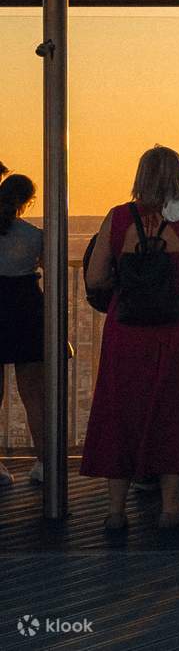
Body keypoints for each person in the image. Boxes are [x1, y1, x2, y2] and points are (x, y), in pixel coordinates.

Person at [81, 146, 179, 529]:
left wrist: (130, 280)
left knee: (121, 409)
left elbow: (95, 278)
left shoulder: (116, 218)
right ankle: (171, 509)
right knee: (174, 411)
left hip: (127, 327)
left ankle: (115, 512)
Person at [0, 173, 46, 487]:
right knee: (33, 394)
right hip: (26, 310)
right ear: (27, 202)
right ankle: (44, 462)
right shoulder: (34, 235)